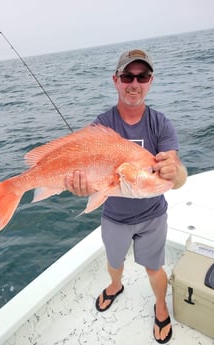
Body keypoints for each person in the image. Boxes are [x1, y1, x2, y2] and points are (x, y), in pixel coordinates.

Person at [65, 49, 187, 343]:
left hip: (153, 216)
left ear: (150, 81)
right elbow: (90, 177)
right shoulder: (102, 124)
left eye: (141, 76)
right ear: (115, 80)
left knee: (154, 267)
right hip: (114, 216)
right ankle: (115, 285)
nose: (134, 83)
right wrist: (80, 187)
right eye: (127, 76)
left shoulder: (161, 124)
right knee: (114, 261)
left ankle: (160, 306)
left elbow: (178, 178)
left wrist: (175, 172)